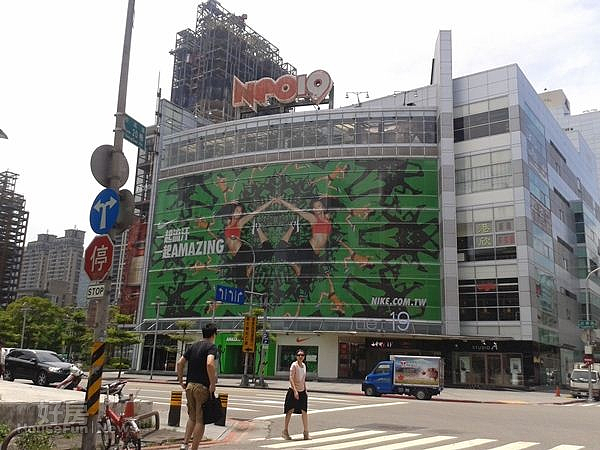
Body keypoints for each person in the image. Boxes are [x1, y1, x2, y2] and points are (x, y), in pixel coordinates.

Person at [176, 323, 218, 450]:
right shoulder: (211, 347)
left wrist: (181, 381)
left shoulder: (193, 346)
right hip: (202, 387)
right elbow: (210, 364)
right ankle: (194, 448)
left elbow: (180, 363)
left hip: (189, 386)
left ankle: (184, 444)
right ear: (213, 335)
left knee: (192, 417)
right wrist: (212, 384)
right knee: (200, 420)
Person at [282, 349, 310, 441]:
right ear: (296, 356)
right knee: (289, 410)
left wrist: (305, 389)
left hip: (302, 391)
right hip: (293, 391)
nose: (300, 356)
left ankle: (306, 432)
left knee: (304, 411)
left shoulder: (304, 366)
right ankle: (285, 431)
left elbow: (303, 379)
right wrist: (295, 391)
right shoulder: (294, 365)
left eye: (302, 355)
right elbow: (291, 378)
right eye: (299, 355)